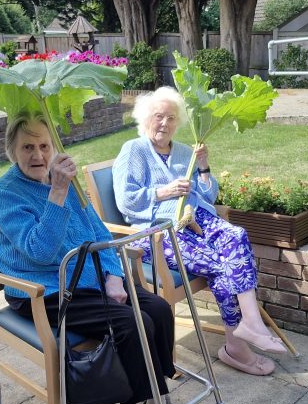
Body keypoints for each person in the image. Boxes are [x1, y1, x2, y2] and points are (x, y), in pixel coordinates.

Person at [0, 116, 189, 404]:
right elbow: (40, 252)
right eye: (28, 147)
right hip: (44, 289)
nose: (38, 155)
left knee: (158, 309)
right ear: (11, 151)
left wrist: (113, 275)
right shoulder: (3, 194)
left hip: (90, 281)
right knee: (133, 323)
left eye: (45, 146)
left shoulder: (67, 183)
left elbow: (99, 232)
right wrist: (57, 195)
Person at [112, 86, 286, 377]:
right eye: (158, 116)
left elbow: (209, 194)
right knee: (221, 266)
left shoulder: (183, 152)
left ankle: (250, 324)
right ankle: (237, 347)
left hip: (199, 219)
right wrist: (164, 191)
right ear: (145, 119)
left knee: (237, 235)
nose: (164, 123)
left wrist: (203, 166)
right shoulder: (134, 150)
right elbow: (126, 200)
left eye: (170, 118)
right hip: (160, 230)